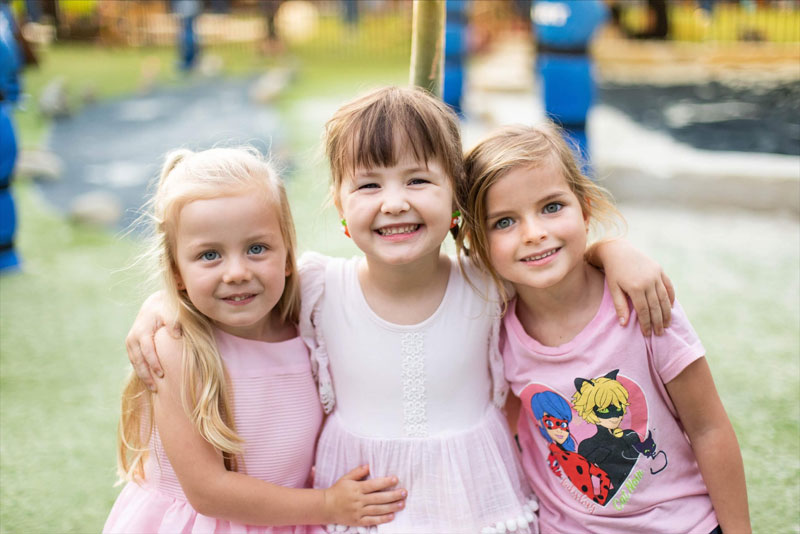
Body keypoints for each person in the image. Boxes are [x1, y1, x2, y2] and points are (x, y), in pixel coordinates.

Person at [126, 87, 675, 534]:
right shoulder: (318, 286)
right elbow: (236, 293)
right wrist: (160, 304)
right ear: (340, 205)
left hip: (474, 495)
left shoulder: (488, 281)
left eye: (418, 179)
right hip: (360, 500)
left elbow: (551, 260)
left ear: (456, 196)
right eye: (369, 184)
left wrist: (611, 250)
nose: (395, 201)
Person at [457, 123, 750, 533]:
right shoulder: (494, 327)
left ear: (586, 207)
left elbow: (707, 427)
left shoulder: (643, 303)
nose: (534, 232)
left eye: (552, 206)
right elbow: (505, 435)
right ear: (477, 240)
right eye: (504, 222)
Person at [104, 147, 406, 534]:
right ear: (177, 271)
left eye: (256, 248)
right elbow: (208, 492)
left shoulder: (304, 318)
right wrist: (327, 504)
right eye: (210, 255)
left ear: (286, 255)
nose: (236, 273)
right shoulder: (178, 348)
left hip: (291, 519)